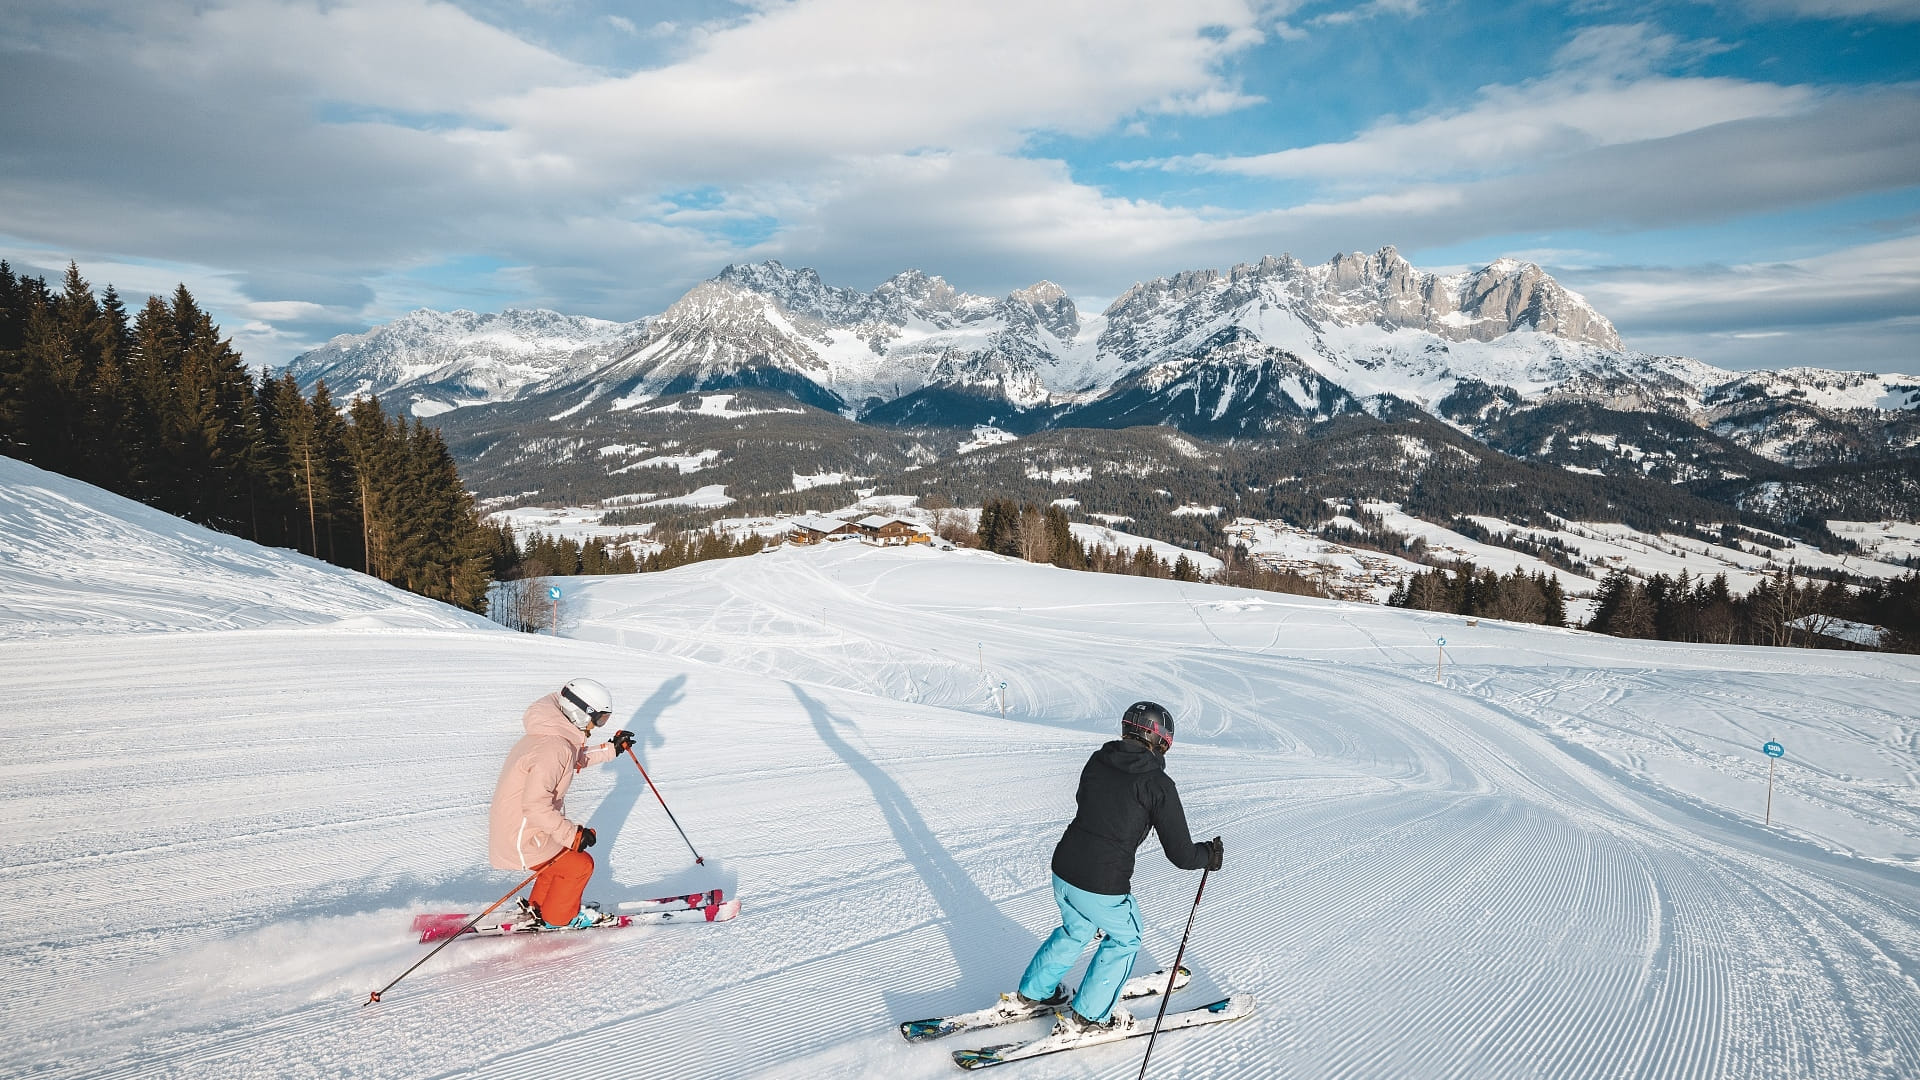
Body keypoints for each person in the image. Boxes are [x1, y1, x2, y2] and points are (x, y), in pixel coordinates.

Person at [1005, 700, 1223, 1038]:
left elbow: (1088, 804)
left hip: (1064, 869)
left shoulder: (1097, 760)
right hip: (1101, 883)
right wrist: (1207, 855)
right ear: (1161, 739)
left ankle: (1035, 991)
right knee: (1126, 937)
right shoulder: (1157, 785)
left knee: (1076, 929)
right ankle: (1089, 1016)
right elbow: (1180, 854)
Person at [488, 677, 637, 929]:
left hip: (519, 828)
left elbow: (573, 757)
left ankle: (539, 907)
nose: (597, 725)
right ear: (581, 712)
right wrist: (573, 836)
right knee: (579, 865)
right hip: (524, 835)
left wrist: (612, 749)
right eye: (599, 718)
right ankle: (558, 917)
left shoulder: (551, 737)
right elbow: (536, 806)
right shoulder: (554, 747)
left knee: (560, 859)